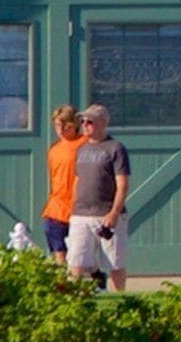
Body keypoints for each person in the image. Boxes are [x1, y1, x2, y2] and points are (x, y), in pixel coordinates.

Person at [65, 107, 132, 291]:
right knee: (76, 260)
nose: (85, 126)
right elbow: (78, 180)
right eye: (83, 122)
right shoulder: (82, 149)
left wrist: (114, 212)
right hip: (81, 213)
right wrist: (72, 207)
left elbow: (122, 184)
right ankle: (74, 300)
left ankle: (120, 297)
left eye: (90, 122)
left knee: (115, 262)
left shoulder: (115, 148)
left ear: (103, 123)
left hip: (106, 214)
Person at [41, 106, 83, 260]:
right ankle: (62, 281)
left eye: (67, 125)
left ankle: (95, 275)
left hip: (78, 207)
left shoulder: (85, 144)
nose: (62, 129)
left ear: (75, 125)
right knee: (58, 248)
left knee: (82, 253)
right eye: (58, 125)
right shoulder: (54, 149)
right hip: (57, 207)